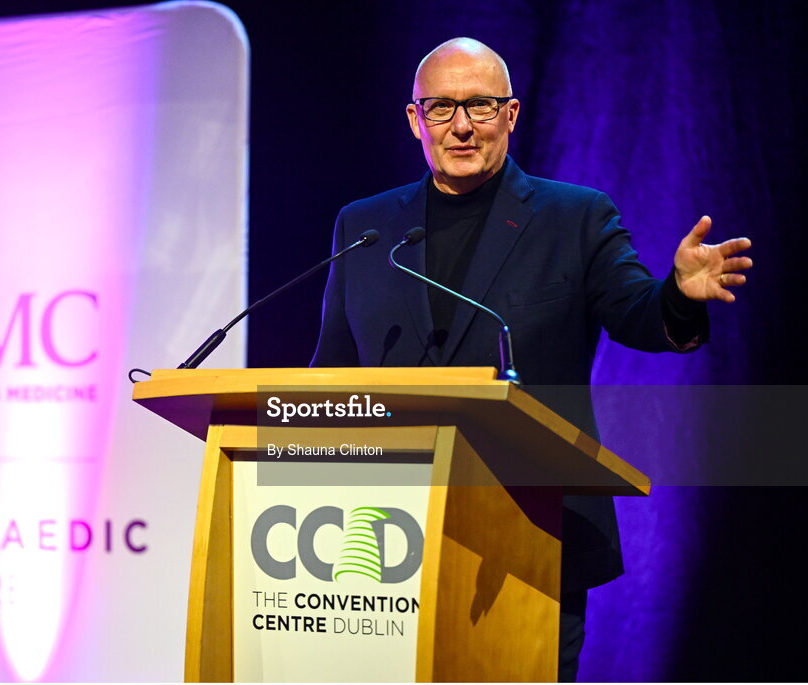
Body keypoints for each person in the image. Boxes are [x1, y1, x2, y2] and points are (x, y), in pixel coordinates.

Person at [311, 37, 752, 681]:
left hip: (530, 537)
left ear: (511, 115)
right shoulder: (368, 227)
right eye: (440, 108)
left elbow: (638, 315)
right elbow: (333, 372)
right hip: (383, 545)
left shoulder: (573, 217)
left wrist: (678, 296)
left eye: (480, 106)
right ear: (414, 120)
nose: (461, 126)